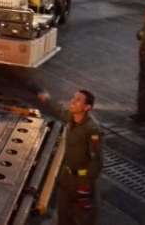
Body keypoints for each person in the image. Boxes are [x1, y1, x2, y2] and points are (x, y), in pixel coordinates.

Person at [37, 90, 104, 225]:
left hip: (82, 182)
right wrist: (47, 99)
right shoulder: (72, 117)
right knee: (64, 215)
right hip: (67, 178)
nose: (72, 101)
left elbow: (96, 161)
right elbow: (60, 109)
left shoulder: (92, 129)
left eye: (78, 100)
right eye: (73, 97)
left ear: (87, 107)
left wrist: (85, 186)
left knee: (83, 219)